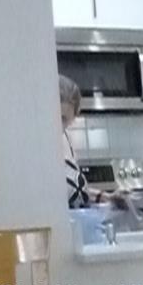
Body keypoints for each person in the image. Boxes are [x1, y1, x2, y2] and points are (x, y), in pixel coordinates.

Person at [60, 75, 91, 208]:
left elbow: (70, 188)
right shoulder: (37, 145)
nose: (59, 125)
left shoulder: (67, 139)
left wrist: (102, 196)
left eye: (64, 119)